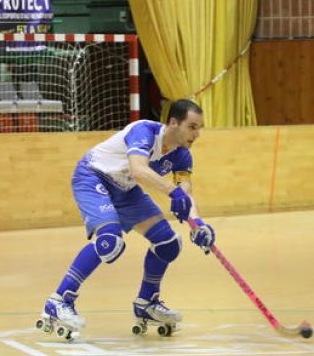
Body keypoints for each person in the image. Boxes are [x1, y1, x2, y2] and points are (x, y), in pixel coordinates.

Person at [38, 98, 215, 340]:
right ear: (174, 123)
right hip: (93, 177)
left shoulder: (182, 155)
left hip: (125, 190)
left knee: (168, 243)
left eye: (200, 128)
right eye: (192, 127)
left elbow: (186, 192)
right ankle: (59, 301)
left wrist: (198, 224)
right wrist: (172, 192)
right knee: (110, 241)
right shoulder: (144, 131)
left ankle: (147, 302)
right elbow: (139, 170)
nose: (197, 134)